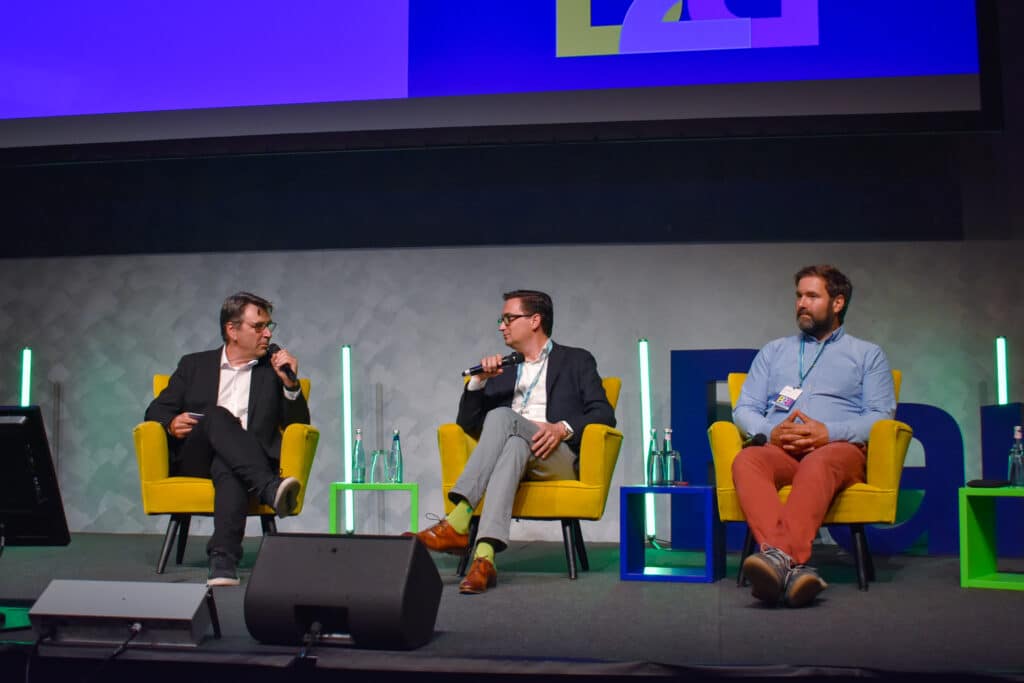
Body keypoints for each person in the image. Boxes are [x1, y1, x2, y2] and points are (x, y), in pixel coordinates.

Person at [412, 290, 616, 594]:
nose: (501, 326)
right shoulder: (504, 369)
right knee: (513, 443)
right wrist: (479, 381)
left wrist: (561, 429)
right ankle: (484, 561)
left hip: (555, 456)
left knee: (502, 416)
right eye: (502, 319)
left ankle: (458, 520)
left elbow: (604, 413)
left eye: (509, 318)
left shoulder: (576, 360)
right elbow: (468, 425)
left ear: (535, 320)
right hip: (516, 454)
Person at [732, 265, 896, 608]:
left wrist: (828, 433)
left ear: (837, 303)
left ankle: (778, 559)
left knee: (819, 462)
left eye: (812, 296)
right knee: (747, 460)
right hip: (783, 449)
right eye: (798, 296)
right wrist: (771, 432)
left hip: (839, 450)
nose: (801, 304)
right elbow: (744, 409)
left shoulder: (867, 355)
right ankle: (792, 569)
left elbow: (881, 417)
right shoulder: (774, 351)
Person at [145, 292, 310, 587]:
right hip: (197, 459)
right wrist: (170, 423)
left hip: (246, 461)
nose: (268, 334)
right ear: (232, 330)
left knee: (228, 465)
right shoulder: (194, 365)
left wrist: (290, 385)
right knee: (216, 415)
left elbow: (299, 426)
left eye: (269, 326)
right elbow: (155, 410)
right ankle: (269, 488)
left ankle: (223, 560)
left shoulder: (272, 372)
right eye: (258, 326)